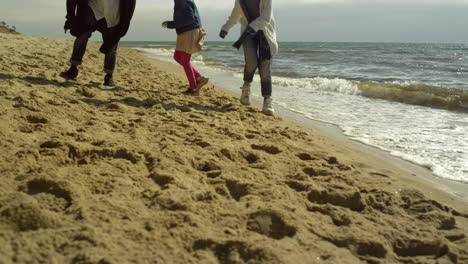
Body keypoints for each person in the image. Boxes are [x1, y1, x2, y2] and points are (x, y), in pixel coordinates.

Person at [219, 0, 278, 115]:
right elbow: (235, 15)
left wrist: (252, 27)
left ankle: (267, 100)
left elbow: (266, 18)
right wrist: (225, 28)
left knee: (265, 67)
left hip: (265, 32)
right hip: (248, 33)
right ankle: (246, 88)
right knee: (251, 62)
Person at [61, 0, 136, 86]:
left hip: (112, 14)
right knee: (81, 37)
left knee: (111, 45)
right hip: (92, 9)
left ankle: (109, 76)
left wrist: (122, 27)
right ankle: (73, 68)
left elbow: (130, 5)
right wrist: (69, 19)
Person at [162, 0, 208, 94]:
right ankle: (199, 78)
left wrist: (171, 24)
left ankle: (193, 88)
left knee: (185, 61)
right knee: (177, 56)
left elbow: (189, 19)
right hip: (185, 32)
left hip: (190, 31)